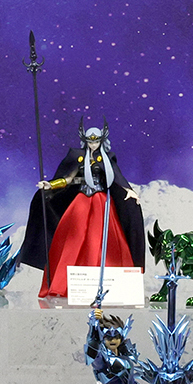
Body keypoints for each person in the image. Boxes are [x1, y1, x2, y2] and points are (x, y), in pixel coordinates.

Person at [19, 121, 145, 298]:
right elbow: (68, 179)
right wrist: (50, 185)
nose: (93, 144)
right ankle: (64, 284)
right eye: (90, 141)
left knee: (102, 240)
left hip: (101, 202)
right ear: (85, 141)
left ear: (102, 141)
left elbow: (117, 177)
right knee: (73, 238)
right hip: (81, 202)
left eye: (96, 141)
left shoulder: (107, 158)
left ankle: (106, 285)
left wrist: (129, 190)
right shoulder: (78, 156)